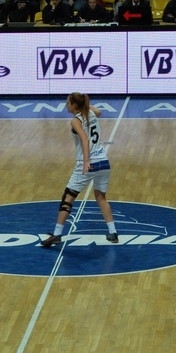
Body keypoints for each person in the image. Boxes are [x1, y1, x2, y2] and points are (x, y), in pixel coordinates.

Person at [40, 92, 119, 247]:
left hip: (89, 163)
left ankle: (56, 234)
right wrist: (85, 104)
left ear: (75, 106)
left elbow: (84, 139)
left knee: (68, 198)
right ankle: (113, 232)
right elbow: (99, 112)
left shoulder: (76, 121)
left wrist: (86, 161)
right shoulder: (91, 112)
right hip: (104, 162)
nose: (66, 105)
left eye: (68, 102)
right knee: (101, 197)